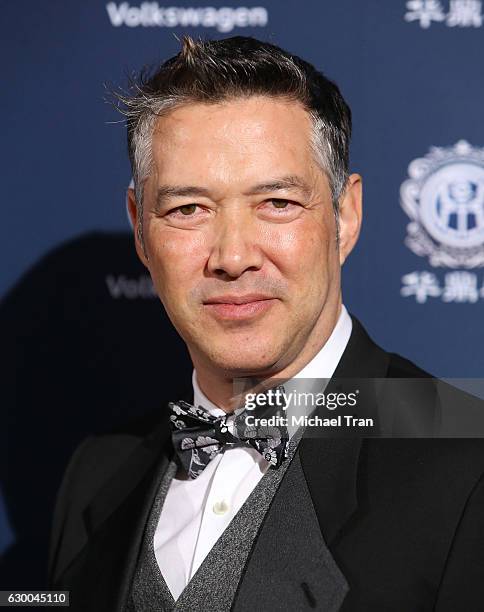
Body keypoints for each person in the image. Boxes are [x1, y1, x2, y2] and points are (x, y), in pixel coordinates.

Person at [48, 36, 484, 611]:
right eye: (188, 209)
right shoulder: (97, 472)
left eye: (276, 203)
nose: (232, 256)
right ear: (139, 228)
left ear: (344, 216)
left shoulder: (469, 457)